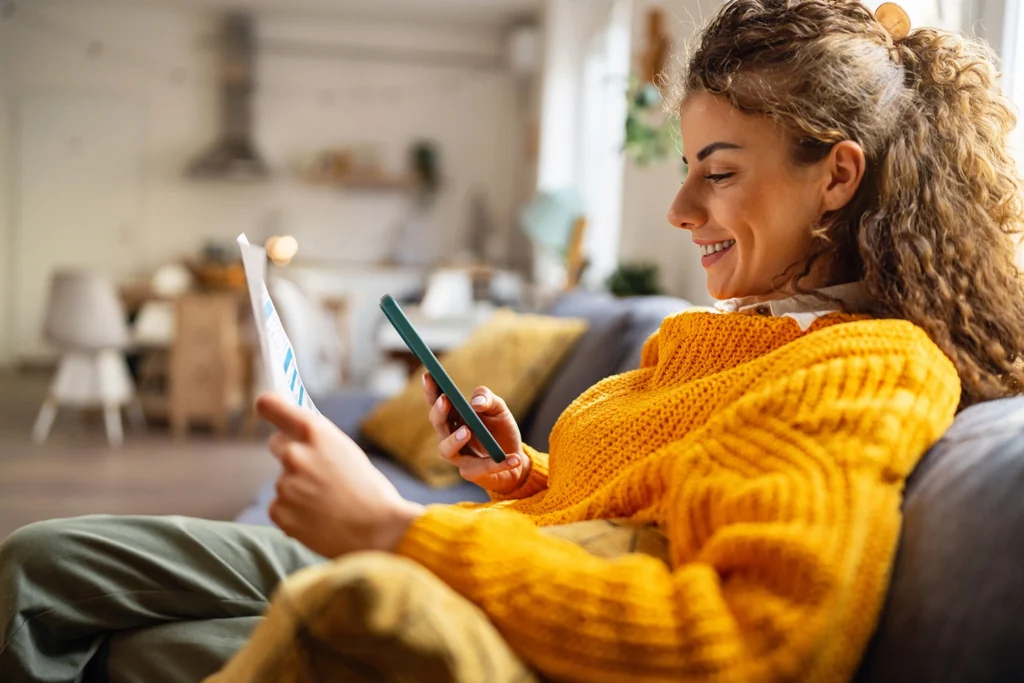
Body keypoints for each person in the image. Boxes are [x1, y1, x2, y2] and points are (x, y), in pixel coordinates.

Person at [4, 0, 1024, 681]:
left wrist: (395, 529)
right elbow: (630, 511)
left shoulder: (864, 366)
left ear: (835, 178)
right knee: (39, 563)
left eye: (717, 170)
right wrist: (518, 471)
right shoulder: (726, 337)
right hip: (477, 555)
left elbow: (752, 640)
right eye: (685, 165)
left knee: (132, 651)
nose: (677, 206)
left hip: (465, 593)